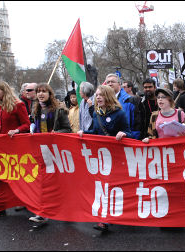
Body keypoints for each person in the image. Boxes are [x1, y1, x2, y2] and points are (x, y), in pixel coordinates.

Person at [77, 85, 132, 232]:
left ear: (108, 96)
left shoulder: (119, 113)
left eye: (101, 95)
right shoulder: (96, 113)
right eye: (97, 95)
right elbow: (95, 132)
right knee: (103, 187)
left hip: (116, 156)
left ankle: (123, 213)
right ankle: (104, 219)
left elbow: (130, 133)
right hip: (101, 156)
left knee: (115, 187)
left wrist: (124, 134)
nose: (98, 97)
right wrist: (84, 133)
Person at [28, 83, 72, 223]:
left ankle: (66, 211)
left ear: (50, 94)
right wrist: (32, 129)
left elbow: (67, 129)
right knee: (42, 183)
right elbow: (35, 127)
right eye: (39, 91)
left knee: (59, 183)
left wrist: (56, 133)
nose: (41, 94)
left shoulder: (59, 110)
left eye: (44, 91)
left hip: (55, 152)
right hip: (41, 152)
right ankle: (42, 213)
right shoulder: (36, 110)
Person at [0, 80, 30, 219]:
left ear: (4, 90)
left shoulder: (18, 105)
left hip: (13, 146)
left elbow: (26, 124)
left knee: (15, 175)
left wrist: (17, 130)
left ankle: (22, 201)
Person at [104, 74, 144, 140]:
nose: (110, 84)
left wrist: (134, 139)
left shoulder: (130, 100)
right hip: (110, 141)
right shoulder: (102, 102)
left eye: (112, 82)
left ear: (119, 84)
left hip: (127, 140)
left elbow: (137, 123)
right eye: (108, 82)